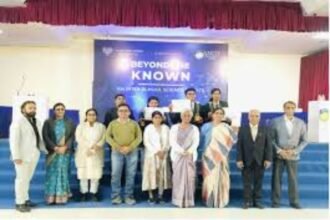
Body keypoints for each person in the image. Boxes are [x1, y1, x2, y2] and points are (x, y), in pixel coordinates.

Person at [9, 100, 47, 212]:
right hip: (22, 156)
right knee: (21, 179)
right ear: (23, 109)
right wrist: (16, 156)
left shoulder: (37, 121)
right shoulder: (18, 122)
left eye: (34, 108)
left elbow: (39, 138)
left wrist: (45, 150)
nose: (33, 110)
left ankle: (26, 200)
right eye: (30, 108)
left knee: (27, 179)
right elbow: (14, 140)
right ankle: (19, 203)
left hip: (34, 154)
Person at [270, 101, 308, 209]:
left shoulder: (301, 123)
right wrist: (279, 150)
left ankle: (294, 201)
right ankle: (275, 201)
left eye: (292, 108)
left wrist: (294, 151)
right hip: (279, 155)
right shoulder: (275, 122)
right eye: (288, 108)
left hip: (293, 155)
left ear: (294, 109)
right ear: (284, 109)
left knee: (293, 179)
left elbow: (305, 140)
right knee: (276, 179)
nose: (290, 110)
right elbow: (271, 139)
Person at [106, 103, 142, 205]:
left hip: (132, 151)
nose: (123, 113)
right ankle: (116, 197)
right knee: (115, 174)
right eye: (121, 111)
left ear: (129, 112)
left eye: (126, 111)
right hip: (117, 152)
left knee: (130, 174)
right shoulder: (113, 123)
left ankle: (128, 196)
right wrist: (117, 147)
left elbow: (139, 137)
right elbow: (108, 137)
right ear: (118, 112)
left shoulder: (134, 123)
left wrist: (130, 147)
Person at [236, 109, 272, 209]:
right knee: (246, 182)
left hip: (260, 160)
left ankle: (257, 201)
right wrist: (239, 159)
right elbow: (239, 146)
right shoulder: (242, 129)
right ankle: (247, 201)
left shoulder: (265, 129)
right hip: (246, 160)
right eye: (252, 116)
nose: (254, 118)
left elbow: (268, 145)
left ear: (260, 118)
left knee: (258, 182)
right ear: (248, 117)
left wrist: (268, 159)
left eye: (256, 116)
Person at [201, 108, 237, 208]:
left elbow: (234, 139)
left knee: (222, 178)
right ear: (212, 114)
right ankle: (209, 200)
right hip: (208, 155)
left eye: (221, 113)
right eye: (216, 113)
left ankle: (221, 200)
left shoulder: (226, 127)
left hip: (222, 156)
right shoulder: (205, 127)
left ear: (223, 116)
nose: (219, 115)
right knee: (209, 178)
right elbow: (203, 140)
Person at [42, 103, 75, 205]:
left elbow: (72, 137)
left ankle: (62, 197)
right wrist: (55, 147)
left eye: (62, 109)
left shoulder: (69, 122)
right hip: (53, 152)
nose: (60, 111)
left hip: (65, 152)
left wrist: (65, 147)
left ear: (64, 111)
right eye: (58, 109)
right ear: (54, 111)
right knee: (52, 174)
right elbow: (45, 136)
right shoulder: (48, 122)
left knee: (62, 173)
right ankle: (51, 198)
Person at [170, 109, 199, 208]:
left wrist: (189, 151)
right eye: (185, 115)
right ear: (181, 116)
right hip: (178, 156)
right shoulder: (174, 128)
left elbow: (196, 142)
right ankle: (178, 200)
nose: (186, 117)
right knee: (177, 178)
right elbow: (172, 141)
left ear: (191, 117)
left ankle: (189, 201)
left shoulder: (194, 128)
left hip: (190, 156)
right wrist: (181, 151)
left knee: (190, 179)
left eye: (188, 116)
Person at [75, 108, 106, 202]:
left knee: (95, 175)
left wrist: (96, 147)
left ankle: (93, 193)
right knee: (83, 174)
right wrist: (88, 148)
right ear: (86, 116)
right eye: (89, 114)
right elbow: (78, 138)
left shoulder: (101, 126)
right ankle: (83, 193)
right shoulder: (80, 126)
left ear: (96, 116)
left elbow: (103, 138)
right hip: (83, 153)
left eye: (93, 114)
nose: (91, 116)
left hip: (97, 152)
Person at [142, 111, 171, 204]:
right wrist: (156, 152)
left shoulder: (166, 128)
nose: (157, 119)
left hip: (163, 155)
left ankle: (160, 195)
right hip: (152, 155)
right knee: (151, 175)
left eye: (159, 117)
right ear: (152, 119)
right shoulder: (148, 128)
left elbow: (169, 141)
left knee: (162, 175)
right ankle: (151, 195)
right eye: (155, 117)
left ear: (162, 119)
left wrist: (164, 151)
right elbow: (146, 142)